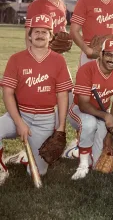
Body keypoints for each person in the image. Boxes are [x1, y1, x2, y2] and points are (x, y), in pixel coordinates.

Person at [0, 14, 72, 185]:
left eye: (45, 32)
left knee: (38, 171)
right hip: (19, 113)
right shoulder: (16, 59)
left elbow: (62, 95)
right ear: (30, 35)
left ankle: (24, 156)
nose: (40, 35)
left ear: (51, 36)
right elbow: (7, 93)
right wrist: (19, 122)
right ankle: (1, 168)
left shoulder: (59, 60)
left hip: (45, 118)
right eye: (36, 32)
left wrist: (60, 127)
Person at [68, 37, 113, 180]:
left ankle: (78, 151)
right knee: (89, 123)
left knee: (98, 166)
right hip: (79, 111)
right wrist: (106, 116)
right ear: (101, 54)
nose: (112, 60)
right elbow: (83, 104)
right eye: (109, 55)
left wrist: (109, 136)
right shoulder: (87, 70)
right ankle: (82, 165)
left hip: (101, 114)